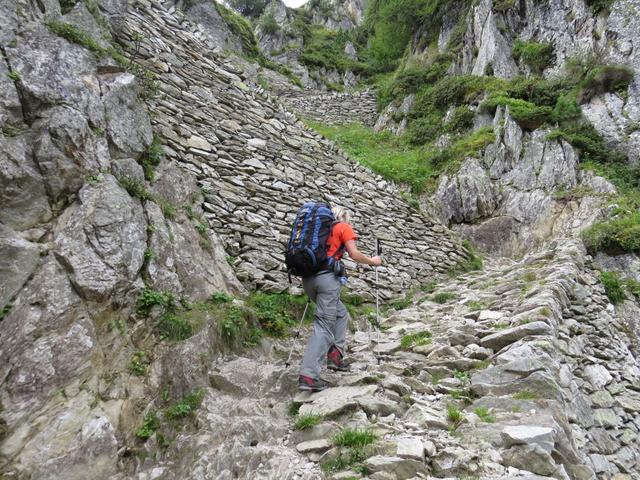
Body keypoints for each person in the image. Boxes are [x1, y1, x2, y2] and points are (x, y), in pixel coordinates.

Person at [298, 206, 382, 392]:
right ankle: (309, 376)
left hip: (308, 280)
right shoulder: (343, 227)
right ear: (344, 216)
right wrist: (373, 261)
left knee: (341, 313)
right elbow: (354, 254)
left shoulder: (318, 230)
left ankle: (335, 356)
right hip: (327, 280)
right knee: (325, 326)